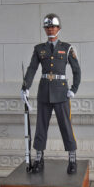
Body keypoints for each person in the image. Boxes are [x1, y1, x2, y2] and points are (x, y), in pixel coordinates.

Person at [21, 13, 81, 174]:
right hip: (44, 92)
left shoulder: (67, 48)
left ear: (59, 28)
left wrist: (73, 89)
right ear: (45, 29)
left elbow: (76, 70)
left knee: (66, 126)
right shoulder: (39, 49)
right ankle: (39, 158)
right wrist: (25, 85)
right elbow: (32, 68)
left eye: (53, 26)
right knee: (41, 127)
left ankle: (72, 158)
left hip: (62, 93)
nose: (50, 29)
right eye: (47, 27)